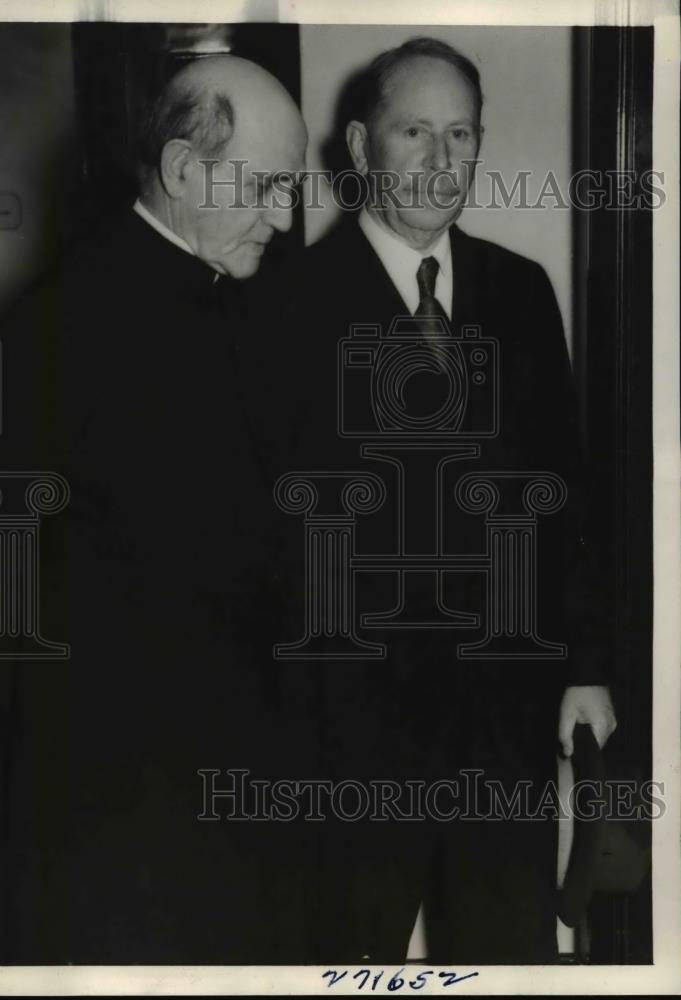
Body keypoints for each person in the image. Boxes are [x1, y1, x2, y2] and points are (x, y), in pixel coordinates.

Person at [280, 36, 617, 963]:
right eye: (413, 131)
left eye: (459, 135)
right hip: (347, 732)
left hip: (502, 714)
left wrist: (585, 662)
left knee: (508, 956)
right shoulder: (286, 305)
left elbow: (565, 493)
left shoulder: (519, 290)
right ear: (358, 147)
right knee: (347, 960)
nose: (438, 162)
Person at [0, 54, 308, 963]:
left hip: (240, 808)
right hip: (112, 831)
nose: (284, 215)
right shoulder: (51, 327)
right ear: (182, 171)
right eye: (268, 186)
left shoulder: (247, 306)